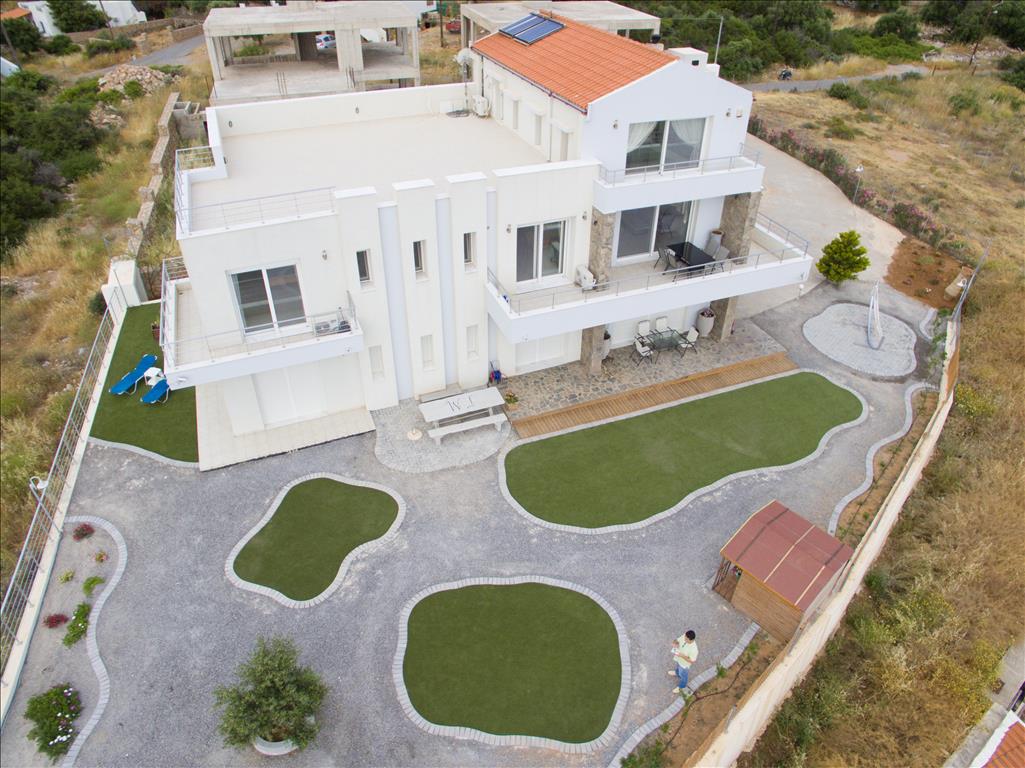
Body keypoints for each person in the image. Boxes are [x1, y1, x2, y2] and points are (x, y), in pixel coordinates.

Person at [667, 629, 698, 694]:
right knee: (678, 667)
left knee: (683, 676)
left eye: (686, 639)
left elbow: (692, 661)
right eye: (685, 637)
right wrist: (675, 643)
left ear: (691, 640)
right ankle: (677, 673)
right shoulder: (685, 636)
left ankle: (682, 686)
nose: (684, 639)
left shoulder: (694, 650)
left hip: (684, 665)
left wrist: (682, 656)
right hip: (679, 659)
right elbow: (677, 640)